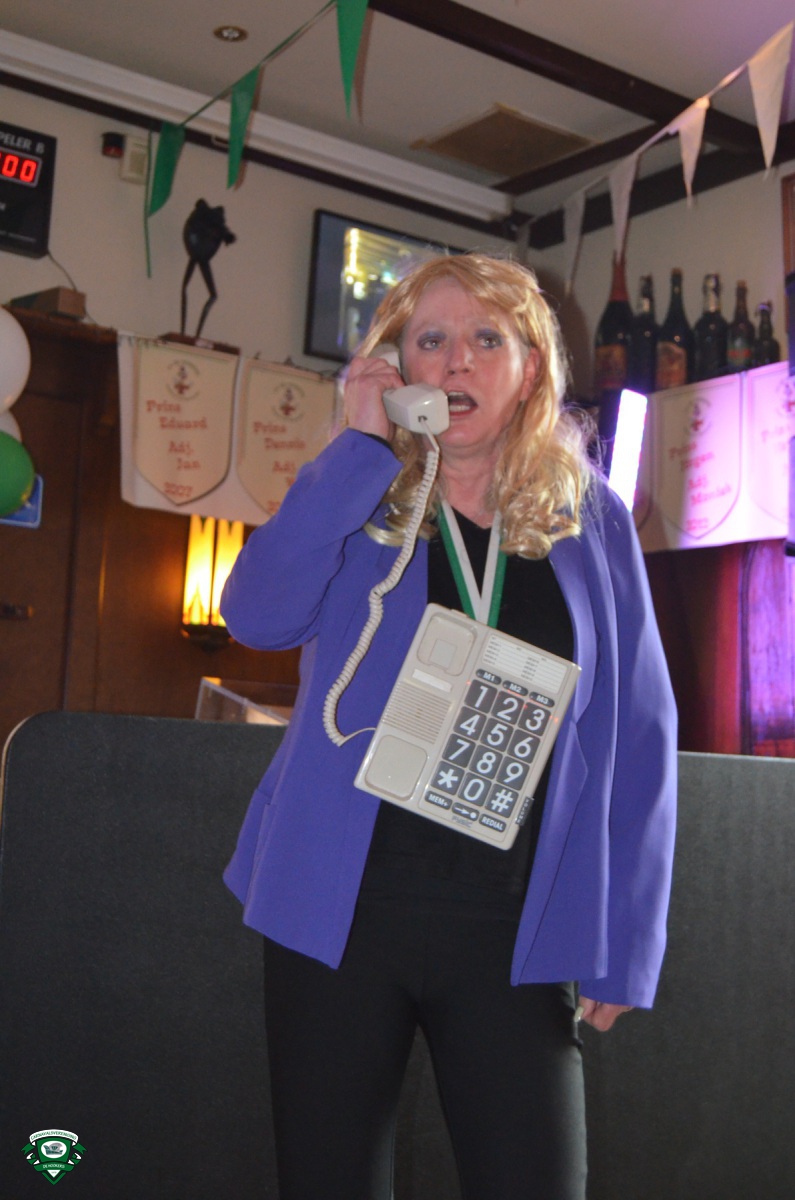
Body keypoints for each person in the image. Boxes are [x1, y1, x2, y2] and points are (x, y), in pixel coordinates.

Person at [221, 253, 677, 1200]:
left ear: (530, 368)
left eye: (486, 339)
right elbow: (257, 617)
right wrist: (358, 448)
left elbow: (639, 730)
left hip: (516, 920)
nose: (457, 361)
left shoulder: (588, 517)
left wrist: (627, 939)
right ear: (398, 368)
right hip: (339, 907)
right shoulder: (357, 491)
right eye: (430, 340)